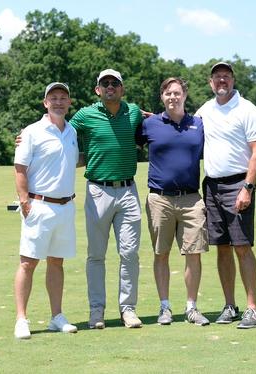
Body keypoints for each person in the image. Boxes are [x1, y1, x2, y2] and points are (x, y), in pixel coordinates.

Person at [70, 69, 144, 329]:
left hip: (128, 191)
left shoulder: (132, 112)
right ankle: (96, 311)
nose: (110, 87)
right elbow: (59, 131)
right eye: (105, 83)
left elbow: (155, 121)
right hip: (97, 191)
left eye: (115, 83)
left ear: (122, 89)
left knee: (130, 253)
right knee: (96, 255)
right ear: (97, 90)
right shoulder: (85, 115)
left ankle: (128, 310)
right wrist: (29, 137)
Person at [196, 62, 256, 329]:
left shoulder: (248, 110)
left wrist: (247, 187)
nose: (221, 81)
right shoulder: (205, 110)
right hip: (212, 186)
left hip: (239, 184)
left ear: (233, 80)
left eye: (226, 76)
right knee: (222, 248)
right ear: (210, 82)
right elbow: (183, 124)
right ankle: (230, 306)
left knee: (242, 246)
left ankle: (252, 309)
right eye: (217, 77)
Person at [136, 77, 210, 326]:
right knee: (161, 253)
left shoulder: (198, 124)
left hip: (191, 199)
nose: (173, 97)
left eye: (177, 93)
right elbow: (123, 139)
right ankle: (164, 307)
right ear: (162, 97)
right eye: (168, 93)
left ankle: (191, 307)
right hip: (160, 199)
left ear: (185, 96)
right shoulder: (150, 124)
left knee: (194, 254)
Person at [13, 82, 80, 339]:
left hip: (65, 206)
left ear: (69, 102)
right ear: (45, 103)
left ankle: (56, 316)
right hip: (38, 205)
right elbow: (20, 167)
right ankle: (21, 318)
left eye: (63, 97)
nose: (59, 102)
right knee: (28, 262)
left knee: (56, 262)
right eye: (54, 98)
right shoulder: (31, 132)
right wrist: (24, 201)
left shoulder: (72, 131)